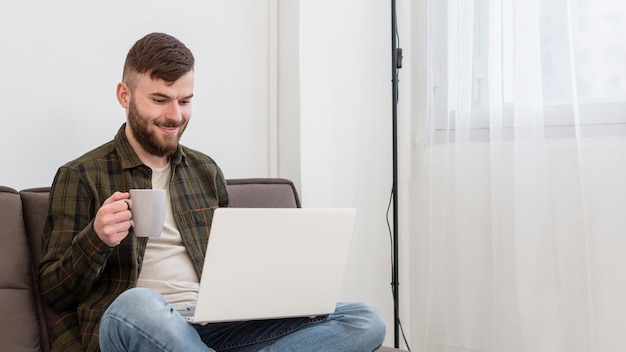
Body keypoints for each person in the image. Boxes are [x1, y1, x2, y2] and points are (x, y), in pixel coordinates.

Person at [39, 32, 386, 352]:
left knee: (364, 319)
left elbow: (232, 267)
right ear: (124, 95)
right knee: (140, 301)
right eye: (160, 99)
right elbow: (53, 291)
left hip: (215, 324)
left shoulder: (205, 171)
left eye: (185, 101)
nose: (175, 115)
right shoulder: (81, 175)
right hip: (140, 324)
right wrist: (96, 239)